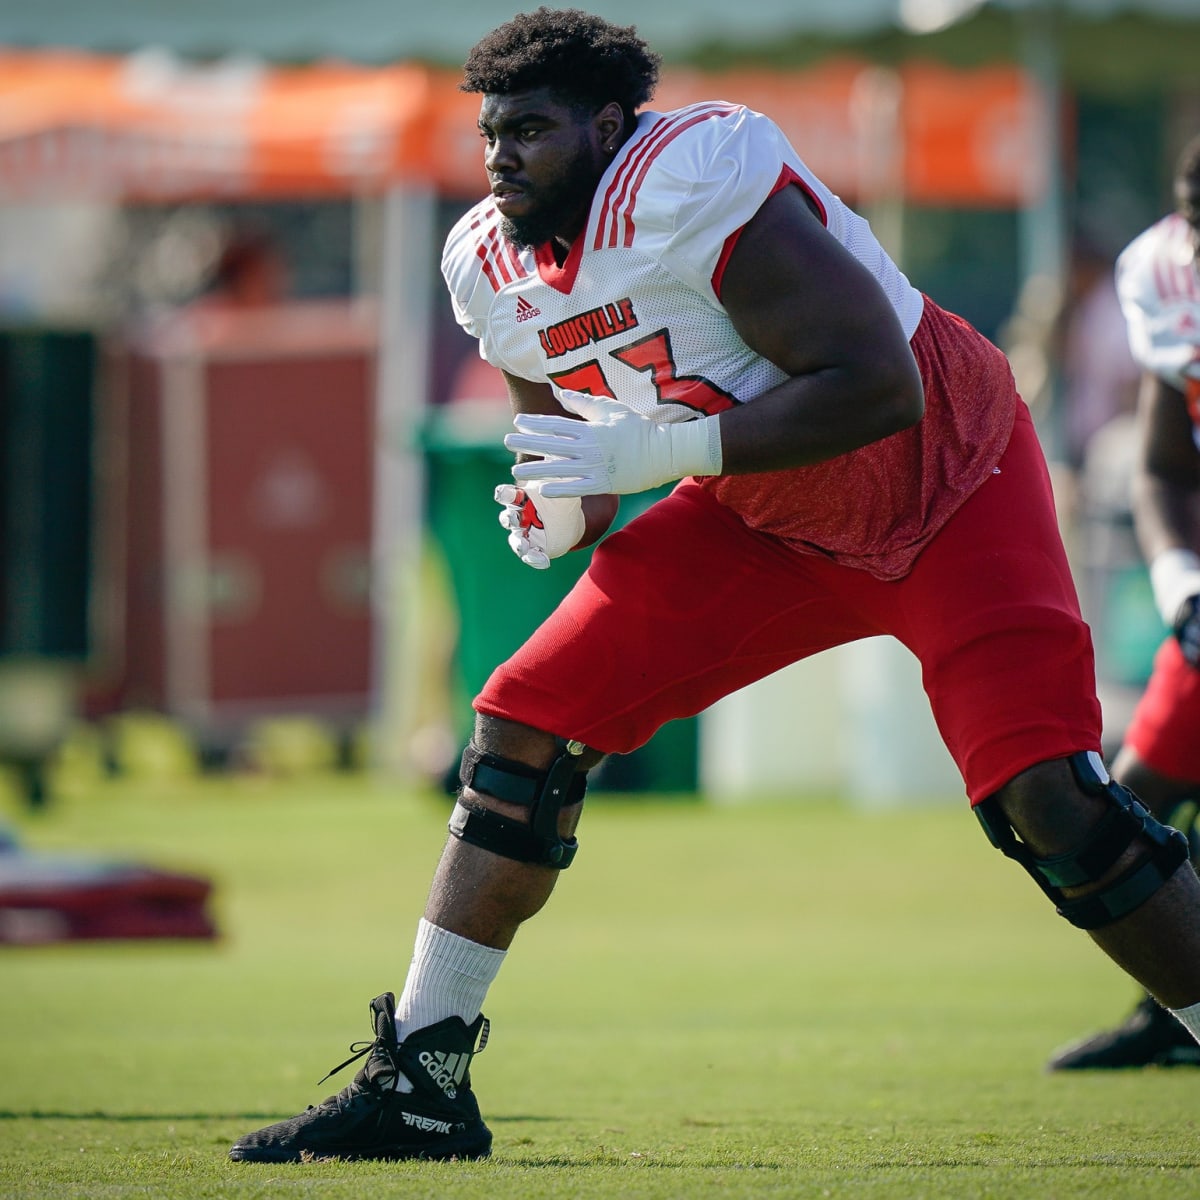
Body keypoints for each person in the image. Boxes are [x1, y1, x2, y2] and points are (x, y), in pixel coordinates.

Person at [229, 10, 1200, 1163]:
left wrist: (659, 457)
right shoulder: (487, 265)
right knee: (519, 730)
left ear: (606, 126)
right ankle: (424, 1078)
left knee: (1051, 805)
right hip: (766, 518)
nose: (500, 157)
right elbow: (565, 453)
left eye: (531, 130)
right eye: (491, 132)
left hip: (945, 477)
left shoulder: (692, 178)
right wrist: (559, 508)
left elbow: (878, 384)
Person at [1047, 133, 1200, 1071]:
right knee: (1127, 806)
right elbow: (1162, 467)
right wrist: (1182, 576)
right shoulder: (1165, 274)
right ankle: (1174, 1011)